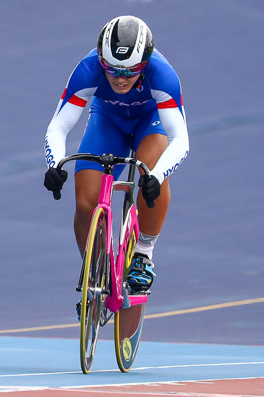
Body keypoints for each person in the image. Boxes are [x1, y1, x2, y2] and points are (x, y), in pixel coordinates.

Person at [43, 15, 189, 312]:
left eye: (131, 71)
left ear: (145, 64)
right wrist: (55, 163)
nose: (121, 78)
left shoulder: (162, 74)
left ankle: (144, 254)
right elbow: (58, 127)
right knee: (86, 204)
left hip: (152, 122)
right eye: (112, 70)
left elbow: (181, 139)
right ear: (101, 60)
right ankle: (93, 275)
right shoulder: (88, 69)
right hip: (107, 121)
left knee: (150, 168)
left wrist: (157, 176)